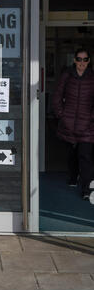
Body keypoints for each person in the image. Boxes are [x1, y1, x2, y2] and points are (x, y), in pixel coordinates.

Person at [52, 48, 94, 200]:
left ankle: (86, 189)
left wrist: (91, 117)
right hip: (68, 124)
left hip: (87, 126)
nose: (82, 63)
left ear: (89, 61)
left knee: (85, 157)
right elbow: (57, 96)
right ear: (74, 60)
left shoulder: (92, 77)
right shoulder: (67, 76)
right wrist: (62, 116)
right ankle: (73, 175)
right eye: (79, 59)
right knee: (72, 154)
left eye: (85, 59)